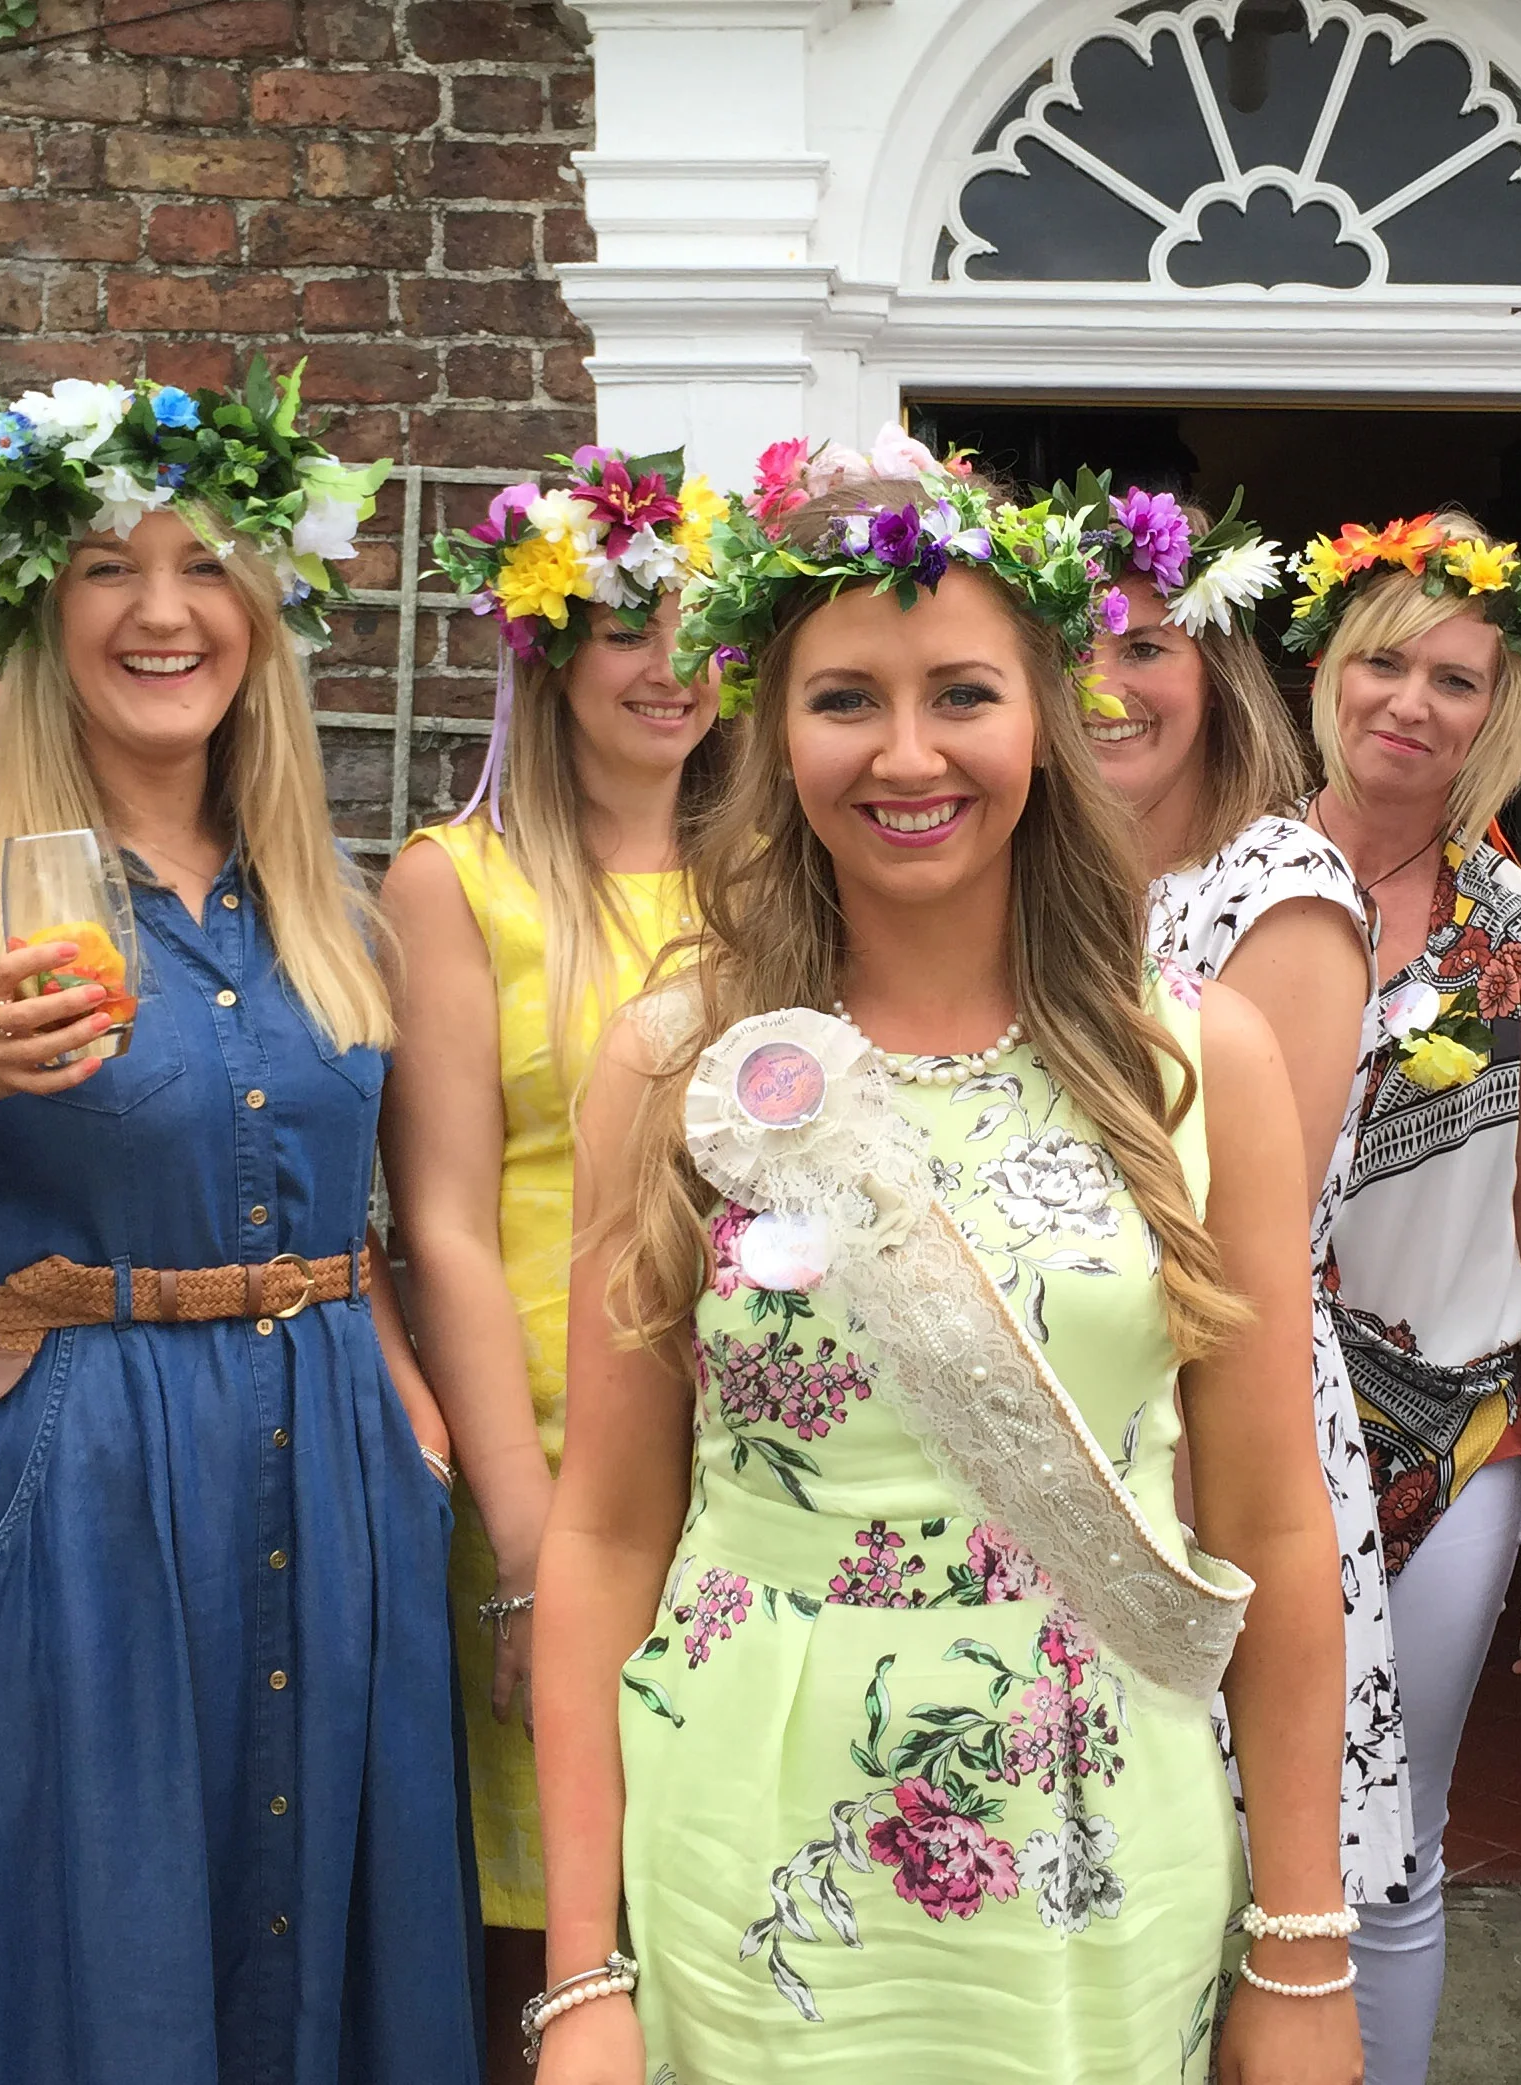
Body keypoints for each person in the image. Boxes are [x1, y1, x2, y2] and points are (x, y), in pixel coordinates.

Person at [530, 453, 1362, 2084]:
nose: (907, 755)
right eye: (847, 698)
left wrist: (1306, 1948)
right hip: (749, 1820)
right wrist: (583, 1981)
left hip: (1100, 1816)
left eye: (963, 694)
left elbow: (1267, 1521)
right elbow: (607, 1529)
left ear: (1043, 723)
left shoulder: (1198, 1067)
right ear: (776, 729)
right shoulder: (676, 1063)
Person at [0, 364, 479, 2084]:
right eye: (113, 565)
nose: (164, 611)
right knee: (75, 1974)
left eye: (207, 569)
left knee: (331, 1967)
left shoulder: (330, 895)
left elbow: (386, 1219)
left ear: (264, 614)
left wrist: (409, 1418)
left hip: (331, 1467)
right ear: (43, 601)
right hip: (67, 1489)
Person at [380, 446, 726, 2078]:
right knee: (551, 1936)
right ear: (547, 647)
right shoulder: (459, 886)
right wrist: (523, 1545)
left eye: (705, 632)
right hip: (539, 1457)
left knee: (731, 1898)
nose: (673, 670)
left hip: (744, 1471)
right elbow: (438, 1221)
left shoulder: (774, 883)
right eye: (628, 627)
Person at [1289, 514, 1521, 2084]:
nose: (1411, 701)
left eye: (1457, 677)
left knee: (1392, 1845)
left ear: (1506, 709)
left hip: (1452, 1438)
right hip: (1244, 1422)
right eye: (1383, 662)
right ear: (1327, 671)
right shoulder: (1224, 889)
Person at [1074, 471, 1415, 1909]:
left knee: (1228, 1880)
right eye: (1069, 649)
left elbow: (1245, 1262)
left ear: (1211, 669)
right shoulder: (1030, 878)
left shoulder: (1277, 892)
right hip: (1045, 1406)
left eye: (1145, 645)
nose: (1104, 684)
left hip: (1221, 1424)